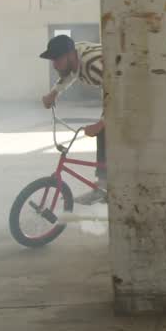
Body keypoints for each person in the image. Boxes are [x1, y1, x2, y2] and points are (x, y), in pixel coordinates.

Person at [40, 34, 107, 204]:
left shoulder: (93, 65)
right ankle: (105, 185)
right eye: (52, 60)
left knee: (105, 129)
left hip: (134, 86)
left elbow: (120, 92)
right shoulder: (75, 56)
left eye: (57, 59)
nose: (54, 65)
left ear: (70, 55)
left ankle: (105, 188)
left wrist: (101, 123)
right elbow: (69, 74)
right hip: (115, 87)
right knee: (104, 131)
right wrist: (54, 92)